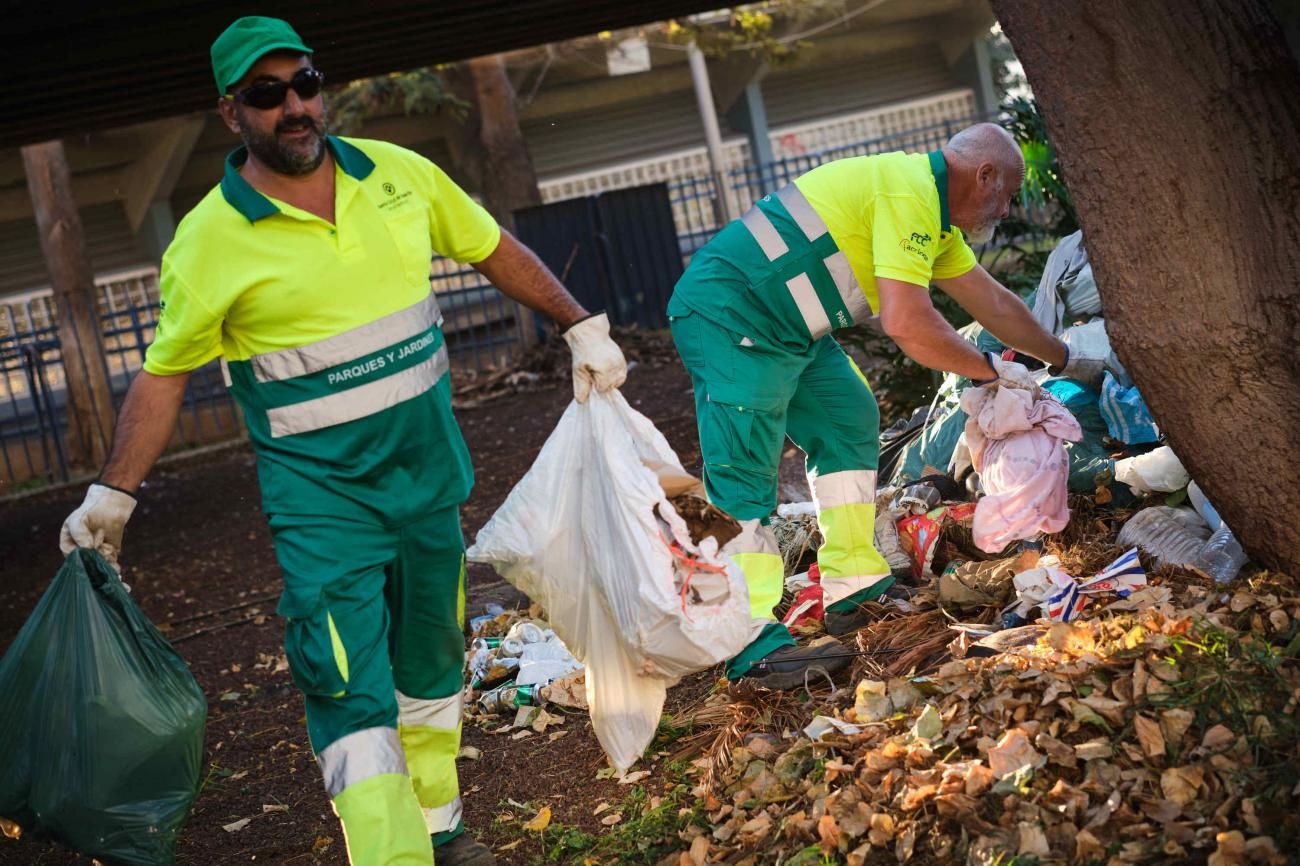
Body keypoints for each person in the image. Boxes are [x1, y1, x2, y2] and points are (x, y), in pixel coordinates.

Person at [57, 16, 626, 866]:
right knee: (347, 686)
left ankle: (440, 831)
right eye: (266, 94)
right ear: (231, 114)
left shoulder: (399, 175)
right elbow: (166, 371)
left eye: (304, 84)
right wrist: (115, 491)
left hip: (429, 484)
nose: (293, 106)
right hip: (325, 510)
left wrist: (579, 323)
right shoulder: (208, 241)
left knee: (431, 668)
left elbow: (490, 247)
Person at [667, 123, 1097, 689]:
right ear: (982, 174)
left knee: (848, 419)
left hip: (787, 326)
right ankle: (744, 640)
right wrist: (993, 373)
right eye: (1008, 192)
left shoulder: (930, 212)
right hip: (729, 315)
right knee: (742, 475)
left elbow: (991, 300)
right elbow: (908, 324)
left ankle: (852, 582)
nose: (1008, 206)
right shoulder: (909, 192)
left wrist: (1064, 359)